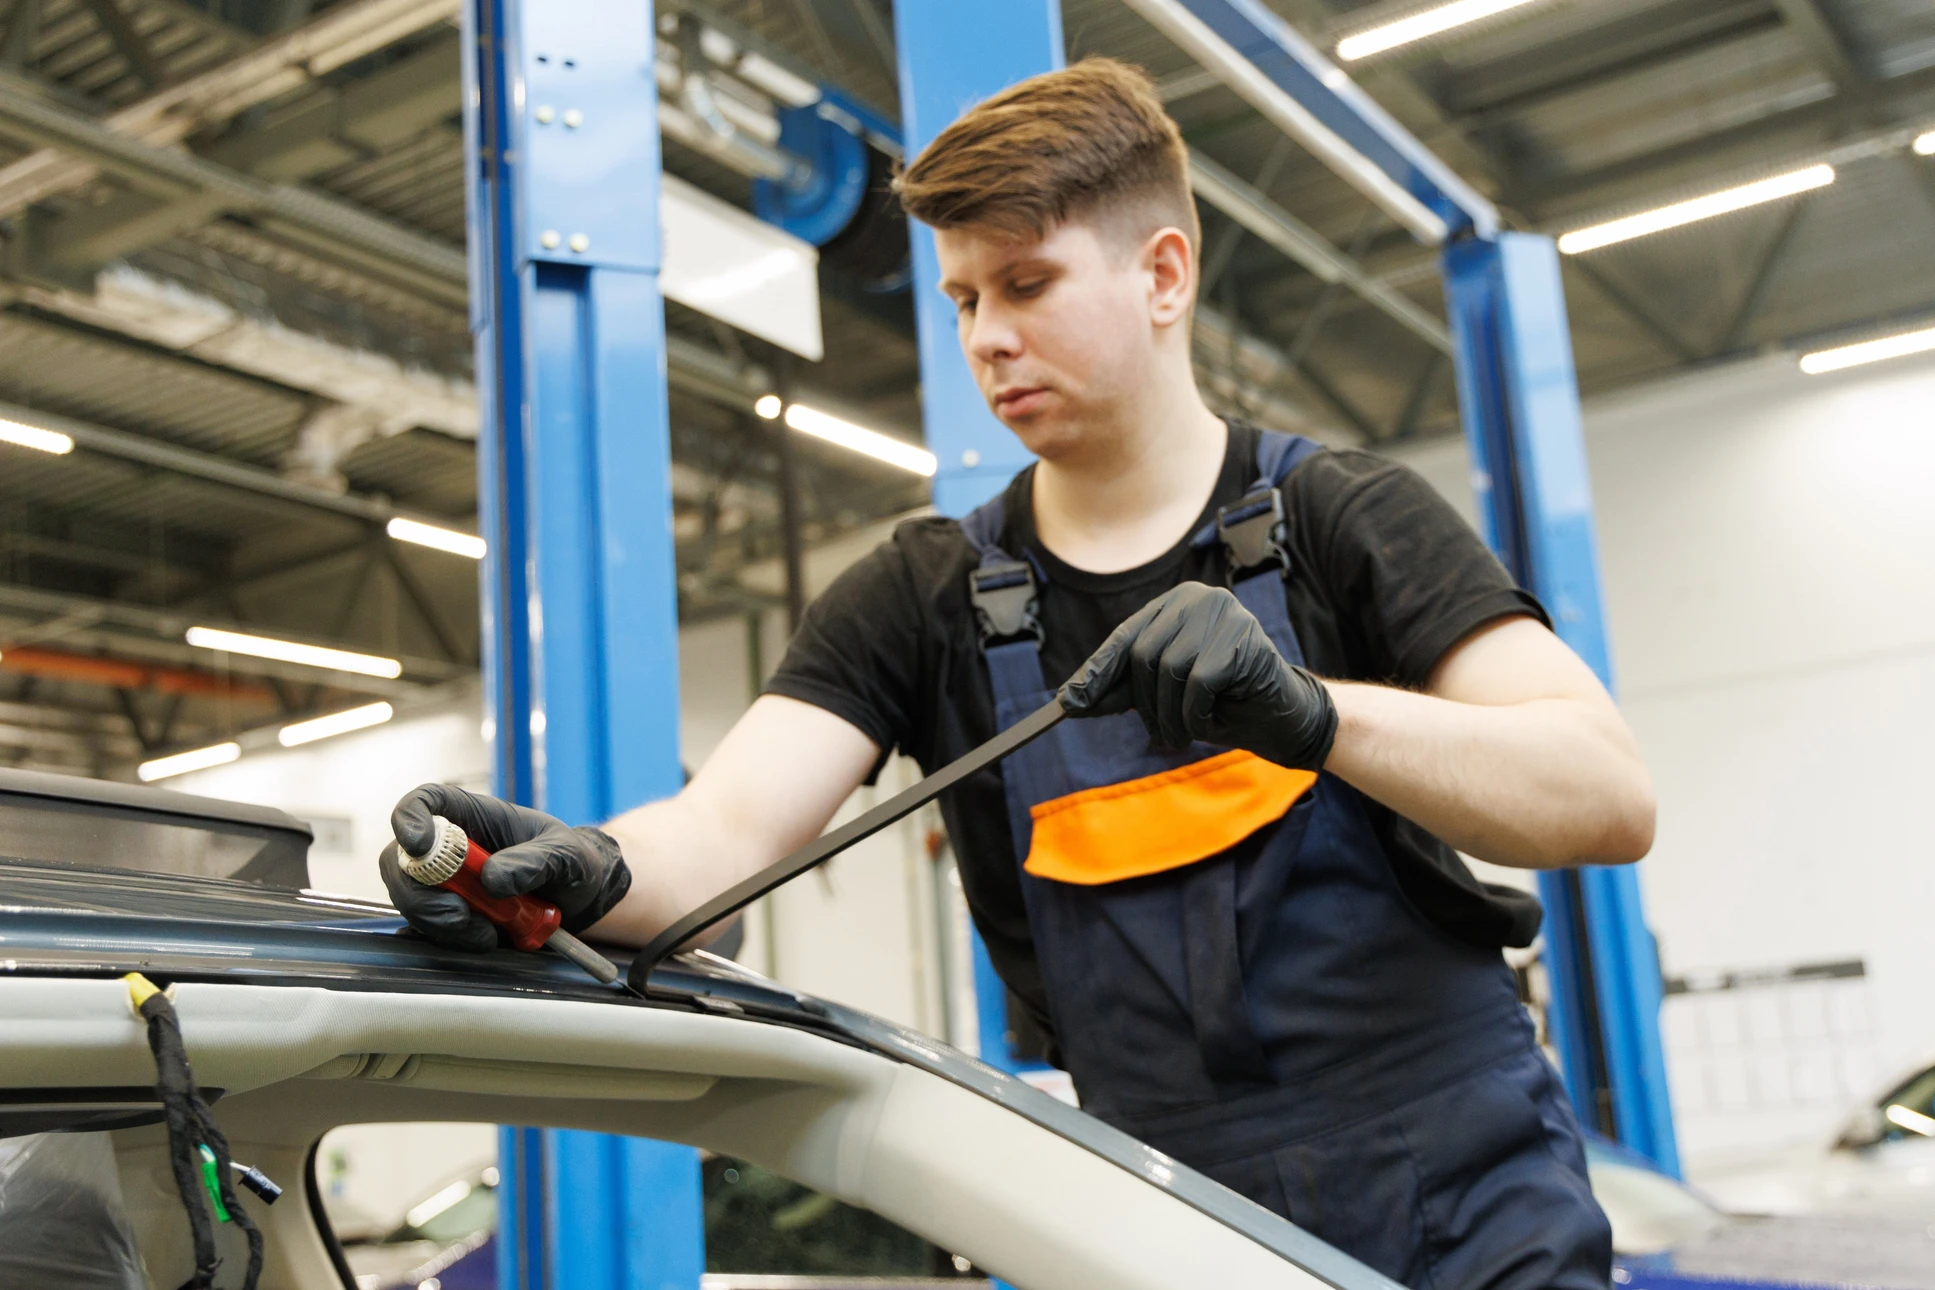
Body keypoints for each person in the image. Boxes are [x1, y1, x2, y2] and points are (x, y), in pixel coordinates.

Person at [380, 59, 1653, 1290]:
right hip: (1154, 1226)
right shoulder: (925, 597)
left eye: (1027, 284)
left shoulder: (1342, 518)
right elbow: (722, 835)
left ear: (1163, 275)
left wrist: (1319, 714)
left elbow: (1602, 793)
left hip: (1465, 1208)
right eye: (963, 300)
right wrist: (570, 868)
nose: (987, 338)